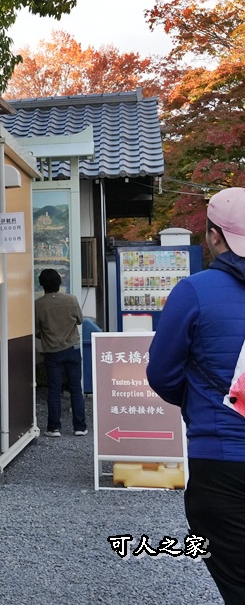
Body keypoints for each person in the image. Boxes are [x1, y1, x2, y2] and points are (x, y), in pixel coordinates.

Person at [146, 187, 245, 603]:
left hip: (220, 459)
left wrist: (196, 401)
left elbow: (161, 372)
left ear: (214, 235)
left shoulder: (196, 291)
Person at [35, 268, 87, 438]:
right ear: (59, 282)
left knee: (54, 390)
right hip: (72, 349)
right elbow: (80, 320)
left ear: (42, 284)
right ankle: (80, 427)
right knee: (76, 389)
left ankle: (54, 428)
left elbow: (36, 330)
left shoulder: (38, 304)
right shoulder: (71, 300)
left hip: (52, 352)